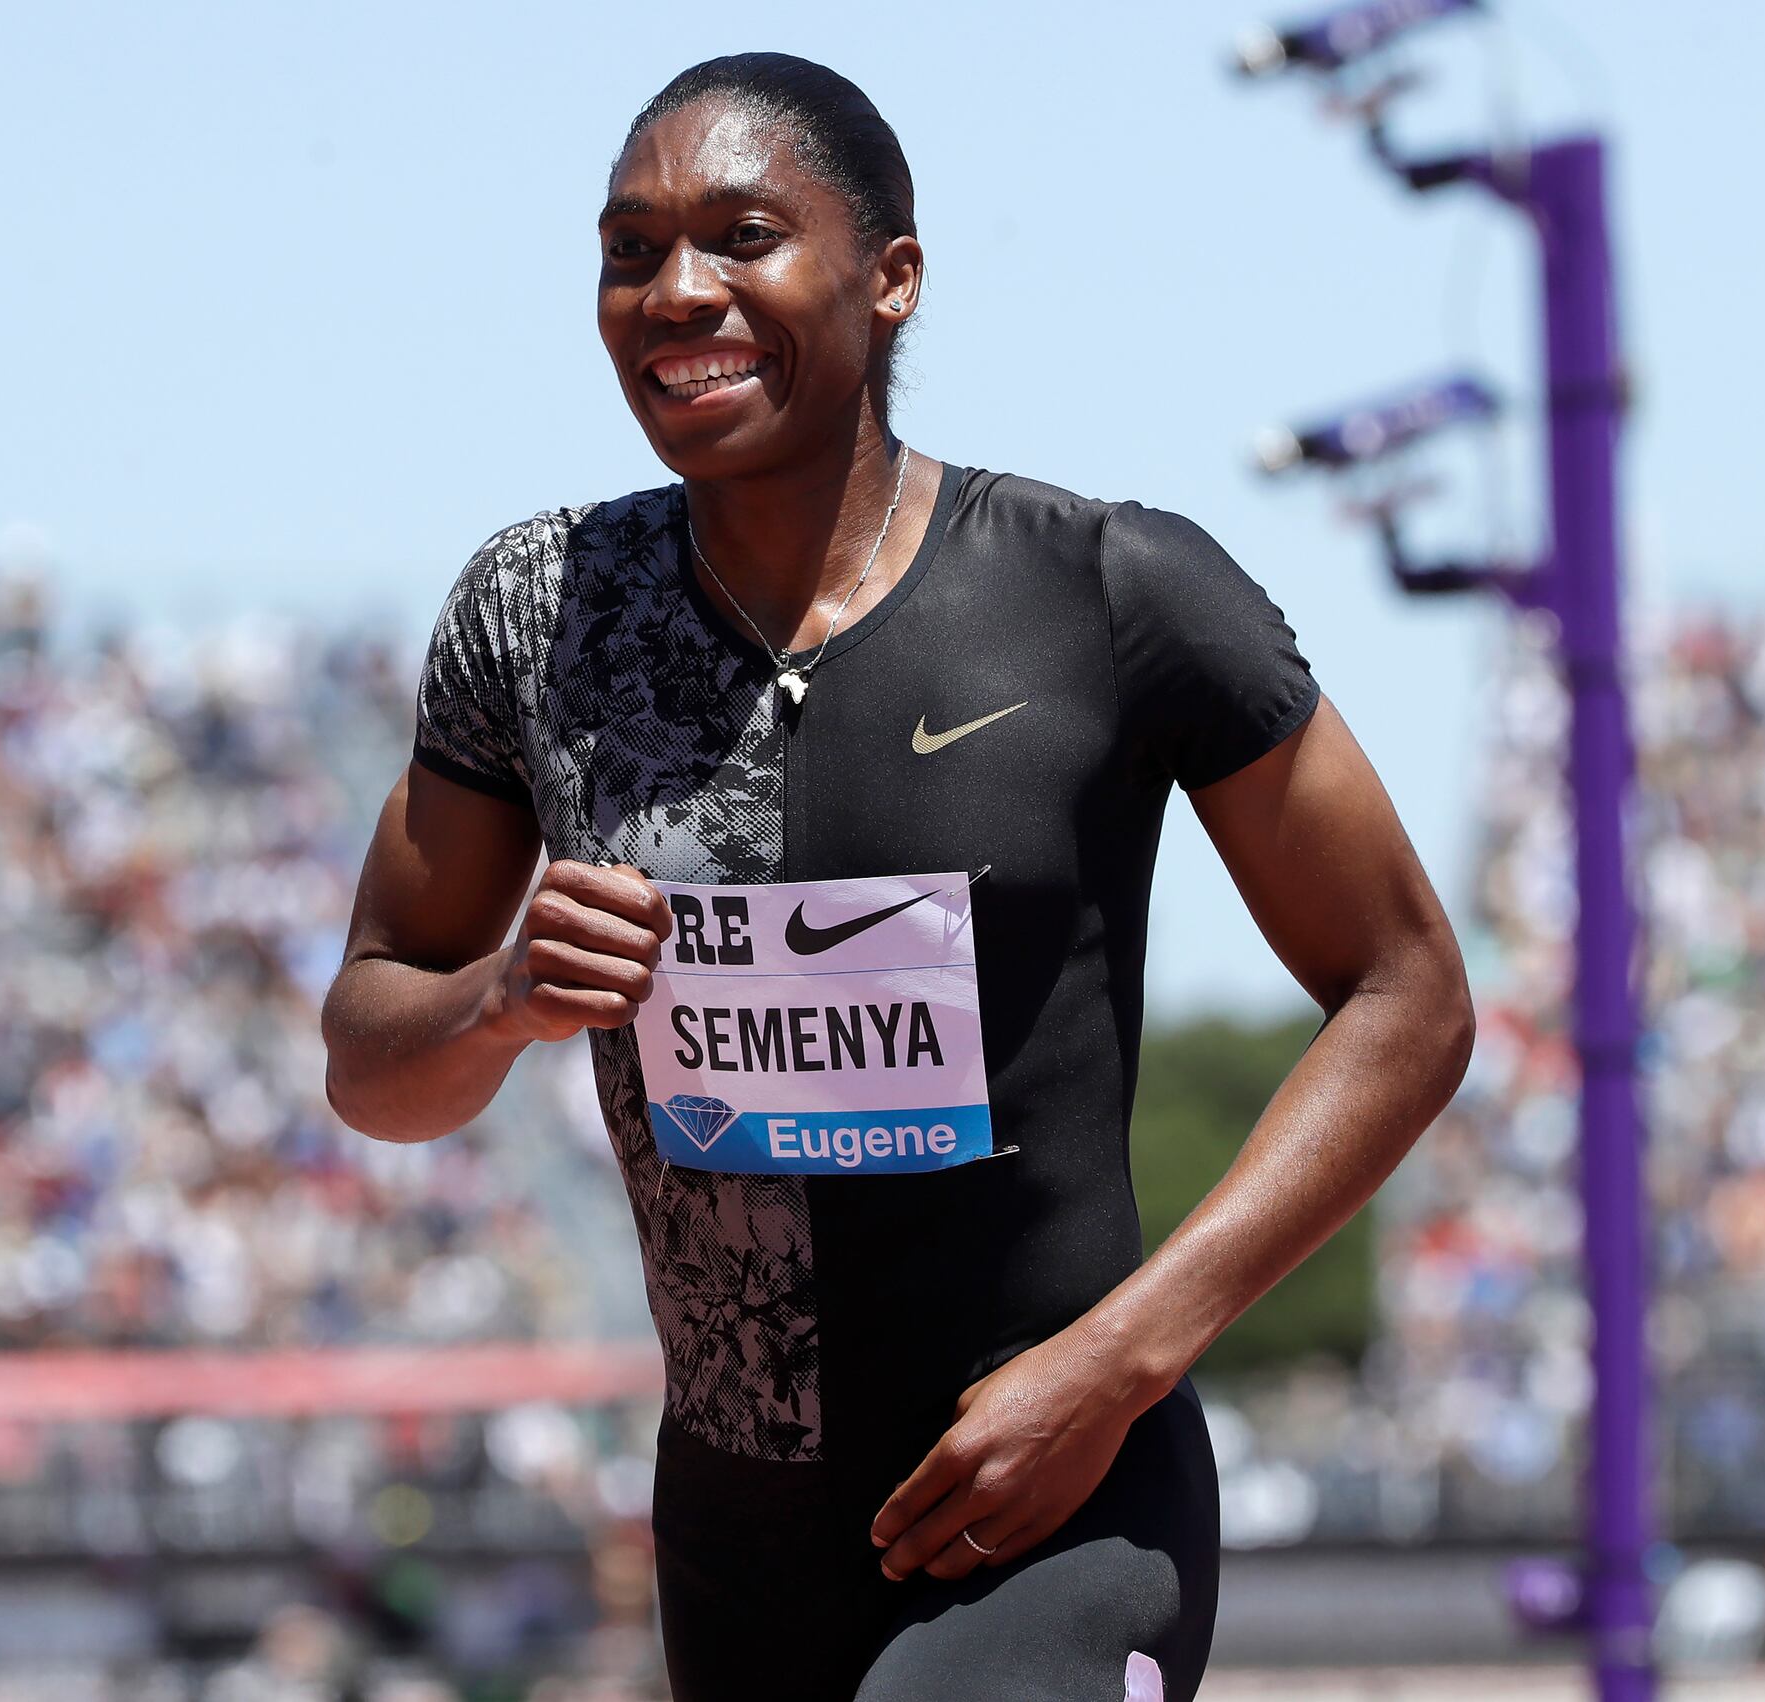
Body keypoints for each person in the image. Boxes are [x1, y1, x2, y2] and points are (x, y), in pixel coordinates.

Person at [323, 52, 1472, 1701]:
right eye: (629, 249)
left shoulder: (1109, 592)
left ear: (892, 277)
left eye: (740, 236)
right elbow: (372, 1055)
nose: (676, 291)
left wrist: (1116, 1364)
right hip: (737, 1536)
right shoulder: (539, 611)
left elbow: (1410, 994)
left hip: (1054, 1490)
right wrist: (499, 1000)